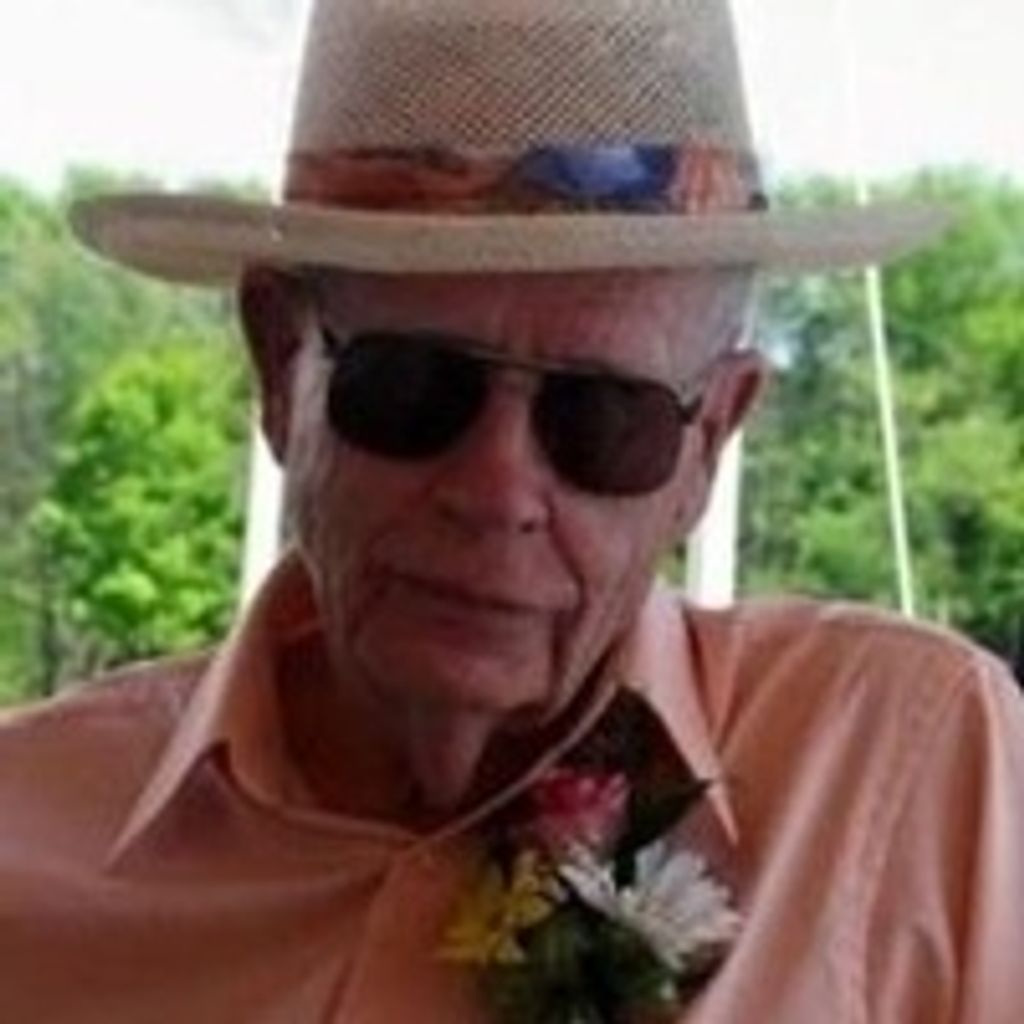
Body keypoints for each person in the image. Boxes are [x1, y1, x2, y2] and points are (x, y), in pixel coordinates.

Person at [2, 0, 1022, 1020]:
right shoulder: (24, 838)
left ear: (708, 440)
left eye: (601, 417)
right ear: (279, 368)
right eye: (413, 386)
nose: (496, 492)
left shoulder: (906, 776)